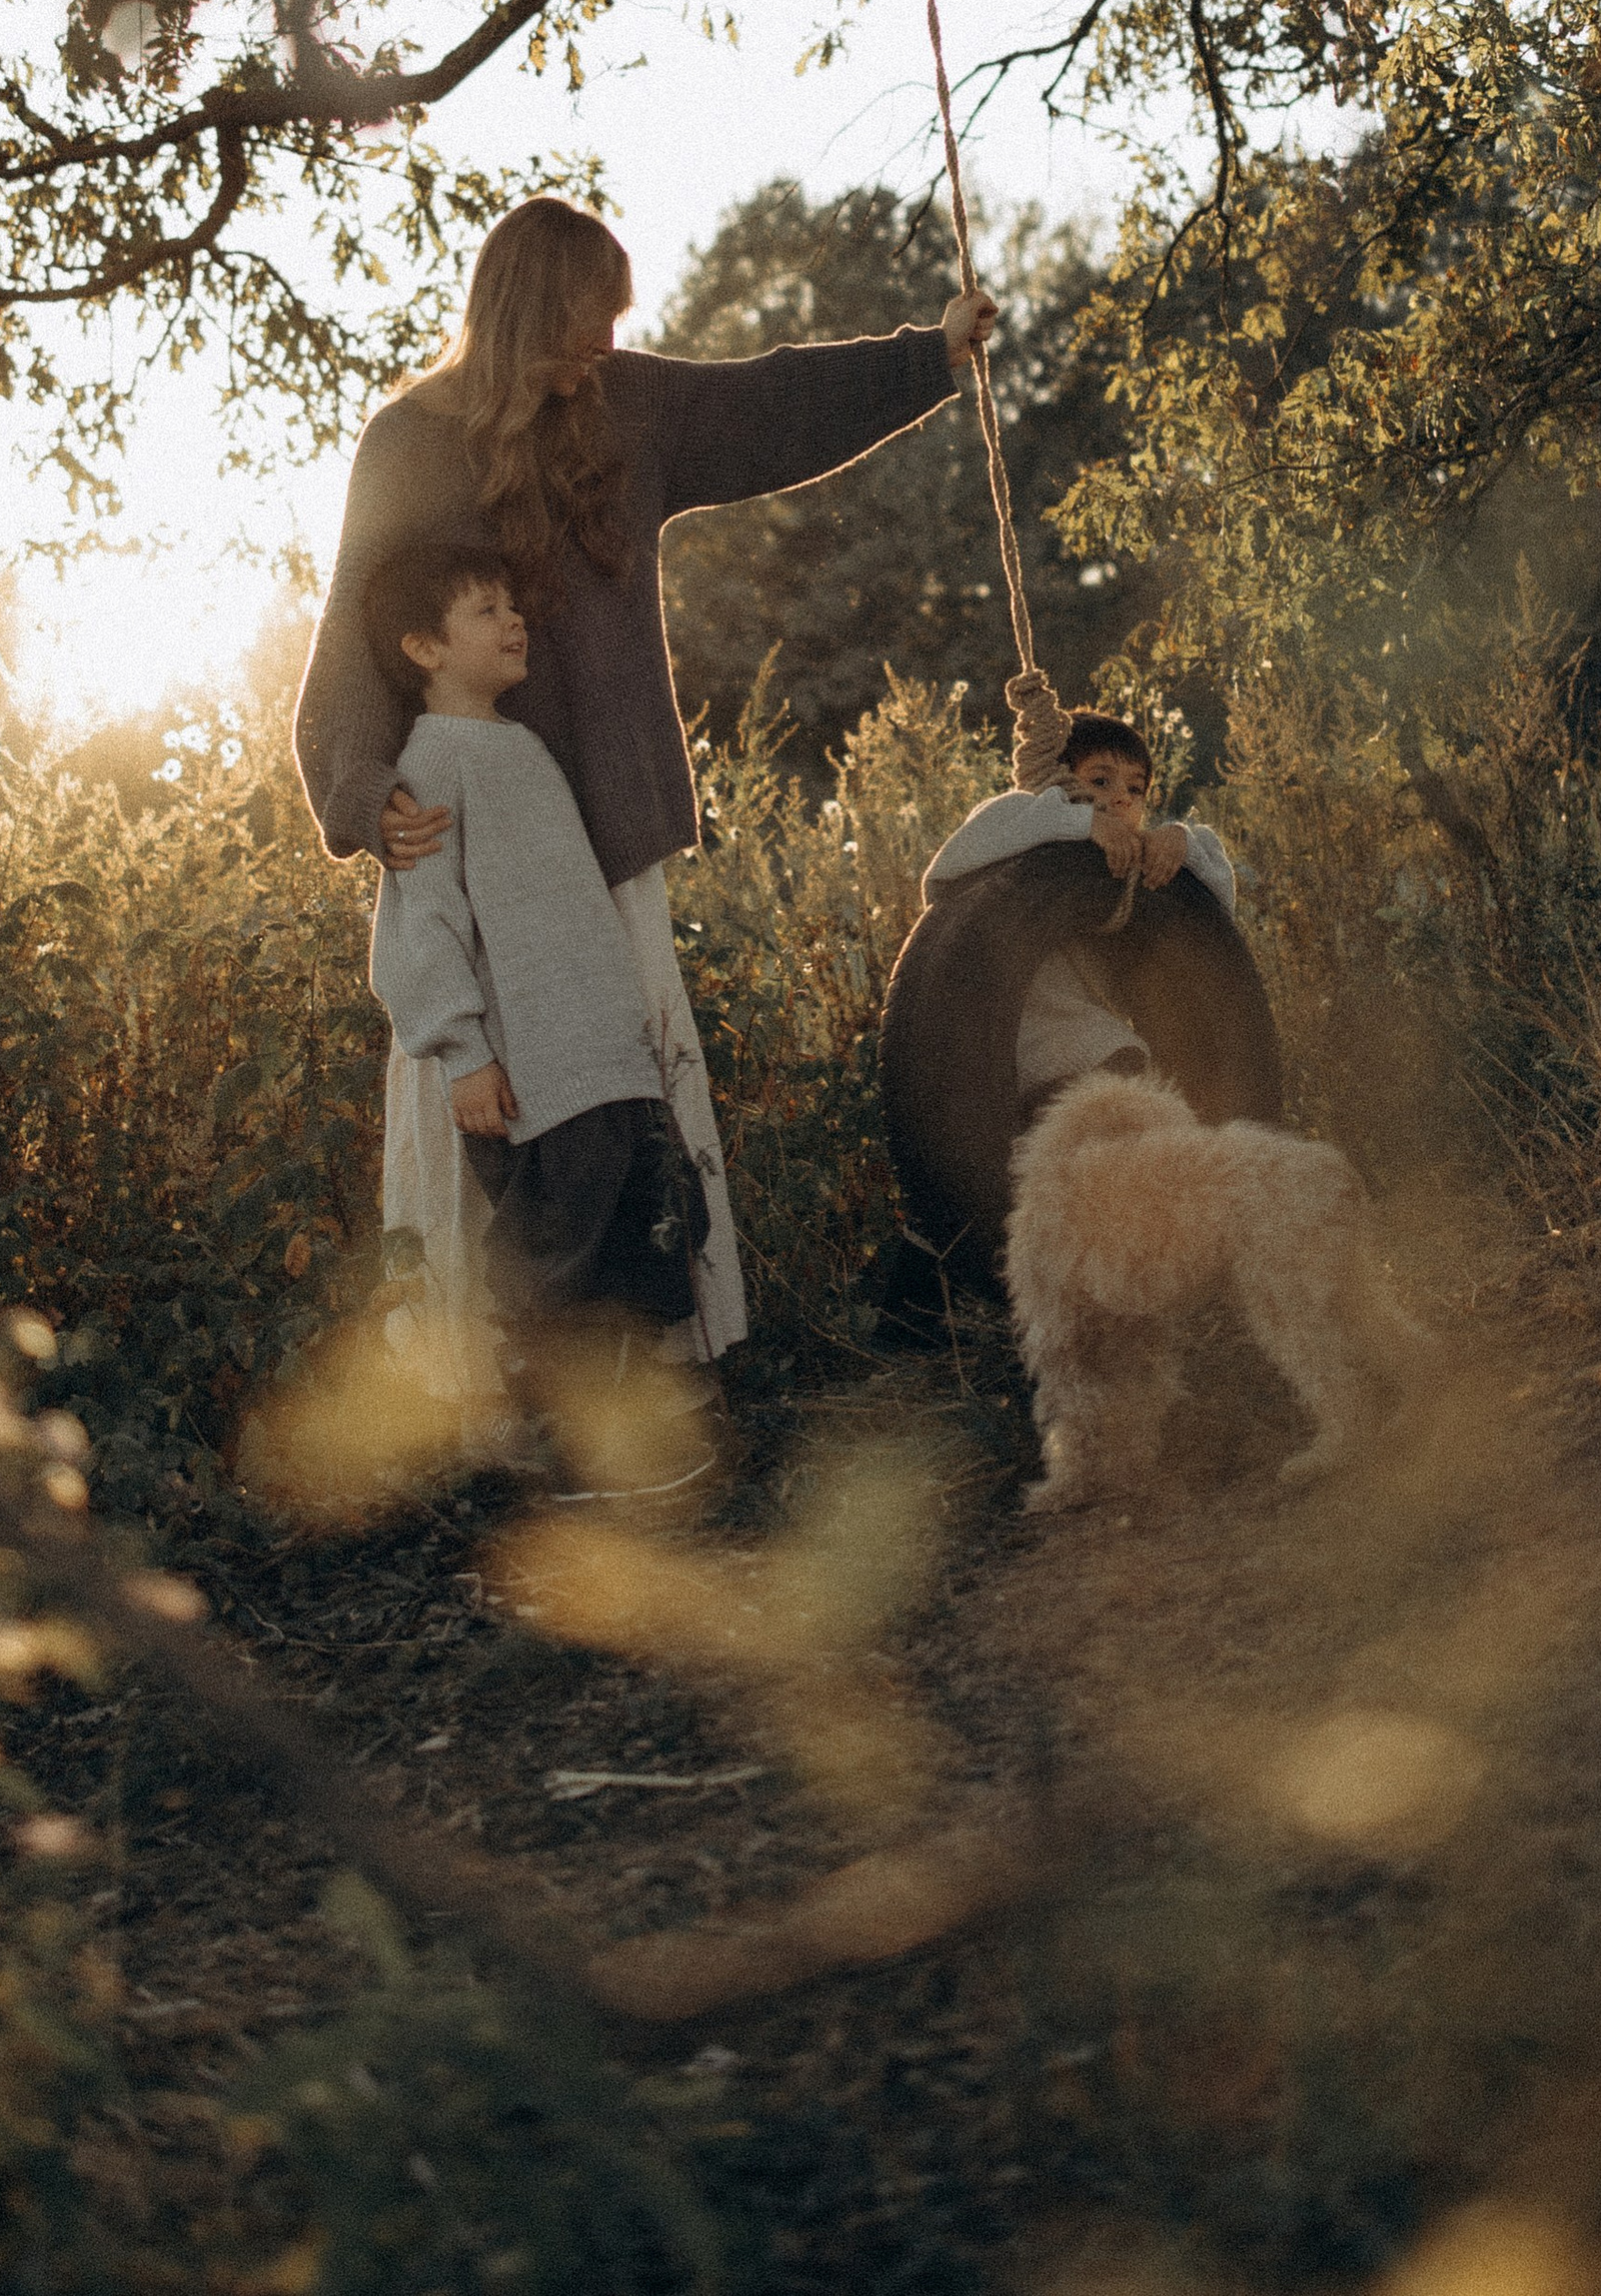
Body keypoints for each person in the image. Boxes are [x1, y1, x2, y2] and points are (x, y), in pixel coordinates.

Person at [294, 191, 995, 1372]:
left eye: (614, 323)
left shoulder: (630, 409)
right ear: (522, 308)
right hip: (464, 845)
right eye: (584, 324)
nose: (602, 346)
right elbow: (352, 634)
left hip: (604, 838)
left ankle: (660, 1367)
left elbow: (774, 401)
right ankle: (468, 1390)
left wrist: (928, 355)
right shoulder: (406, 442)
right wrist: (361, 796)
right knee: (480, 1100)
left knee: (628, 1096)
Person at [366, 536, 718, 1415]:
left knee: (659, 1235)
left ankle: (631, 1435)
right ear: (425, 648)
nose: (515, 620)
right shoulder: (431, 763)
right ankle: (551, 1441)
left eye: (513, 605)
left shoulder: (522, 744)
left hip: (610, 1064)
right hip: (536, 1083)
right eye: (486, 610)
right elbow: (422, 922)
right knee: (556, 1270)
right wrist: (463, 1054)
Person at [921, 711, 1238, 1116]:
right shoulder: (1021, 820)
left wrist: (1181, 843)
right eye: (1100, 781)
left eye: (1136, 788)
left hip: (1093, 1039)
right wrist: (1082, 823)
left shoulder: (1130, 873)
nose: (1121, 798)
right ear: (1059, 781)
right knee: (1119, 1079)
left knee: (1134, 1088)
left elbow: (1218, 919)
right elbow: (945, 875)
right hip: (1005, 1037)